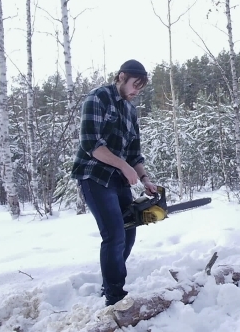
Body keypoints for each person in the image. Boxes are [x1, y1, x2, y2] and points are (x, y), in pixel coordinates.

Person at [71, 59, 158, 306]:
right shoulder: (98, 98)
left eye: (140, 88)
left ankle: (109, 284)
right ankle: (115, 296)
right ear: (121, 77)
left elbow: (134, 154)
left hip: (119, 180)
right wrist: (122, 165)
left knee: (128, 234)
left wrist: (145, 179)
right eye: (134, 85)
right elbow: (91, 144)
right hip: (94, 175)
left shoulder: (131, 111)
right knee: (114, 234)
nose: (136, 91)